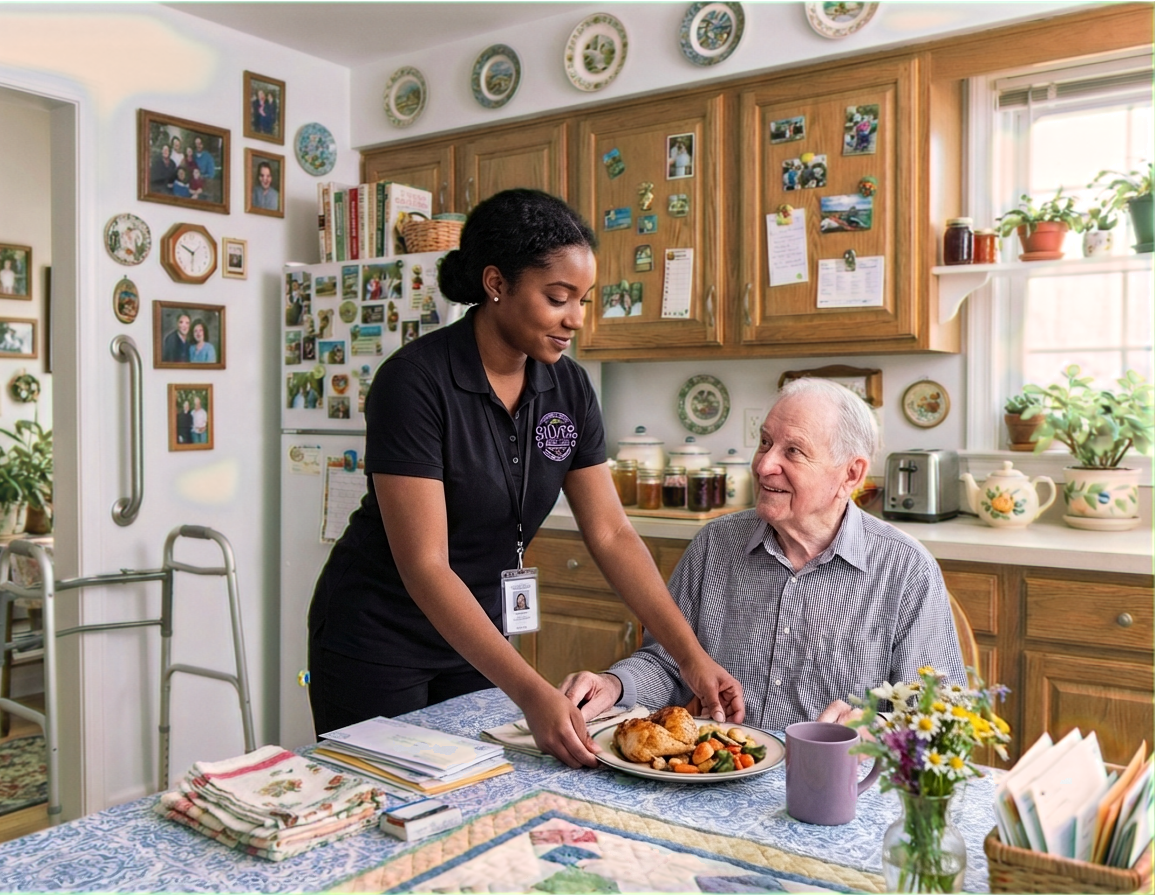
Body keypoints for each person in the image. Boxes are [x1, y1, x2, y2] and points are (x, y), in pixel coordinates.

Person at [307, 188, 742, 768]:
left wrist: (691, 656)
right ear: (496, 284)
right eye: (558, 297)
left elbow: (612, 533)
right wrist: (532, 691)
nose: (576, 320)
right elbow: (426, 565)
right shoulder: (413, 383)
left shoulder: (568, 389)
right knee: (384, 806)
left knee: (475, 796)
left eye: (583, 300)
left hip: (477, 638)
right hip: (376, 638)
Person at [562, 378, 967, 731]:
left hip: (836, 793)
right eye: (766, 442)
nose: (764, 464)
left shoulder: (906, 570)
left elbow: (943, 717)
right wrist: (615, 685)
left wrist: (875, 728)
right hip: (716, 779)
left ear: (852, 475)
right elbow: (668, 661)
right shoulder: (714, 544)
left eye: (793, 451)